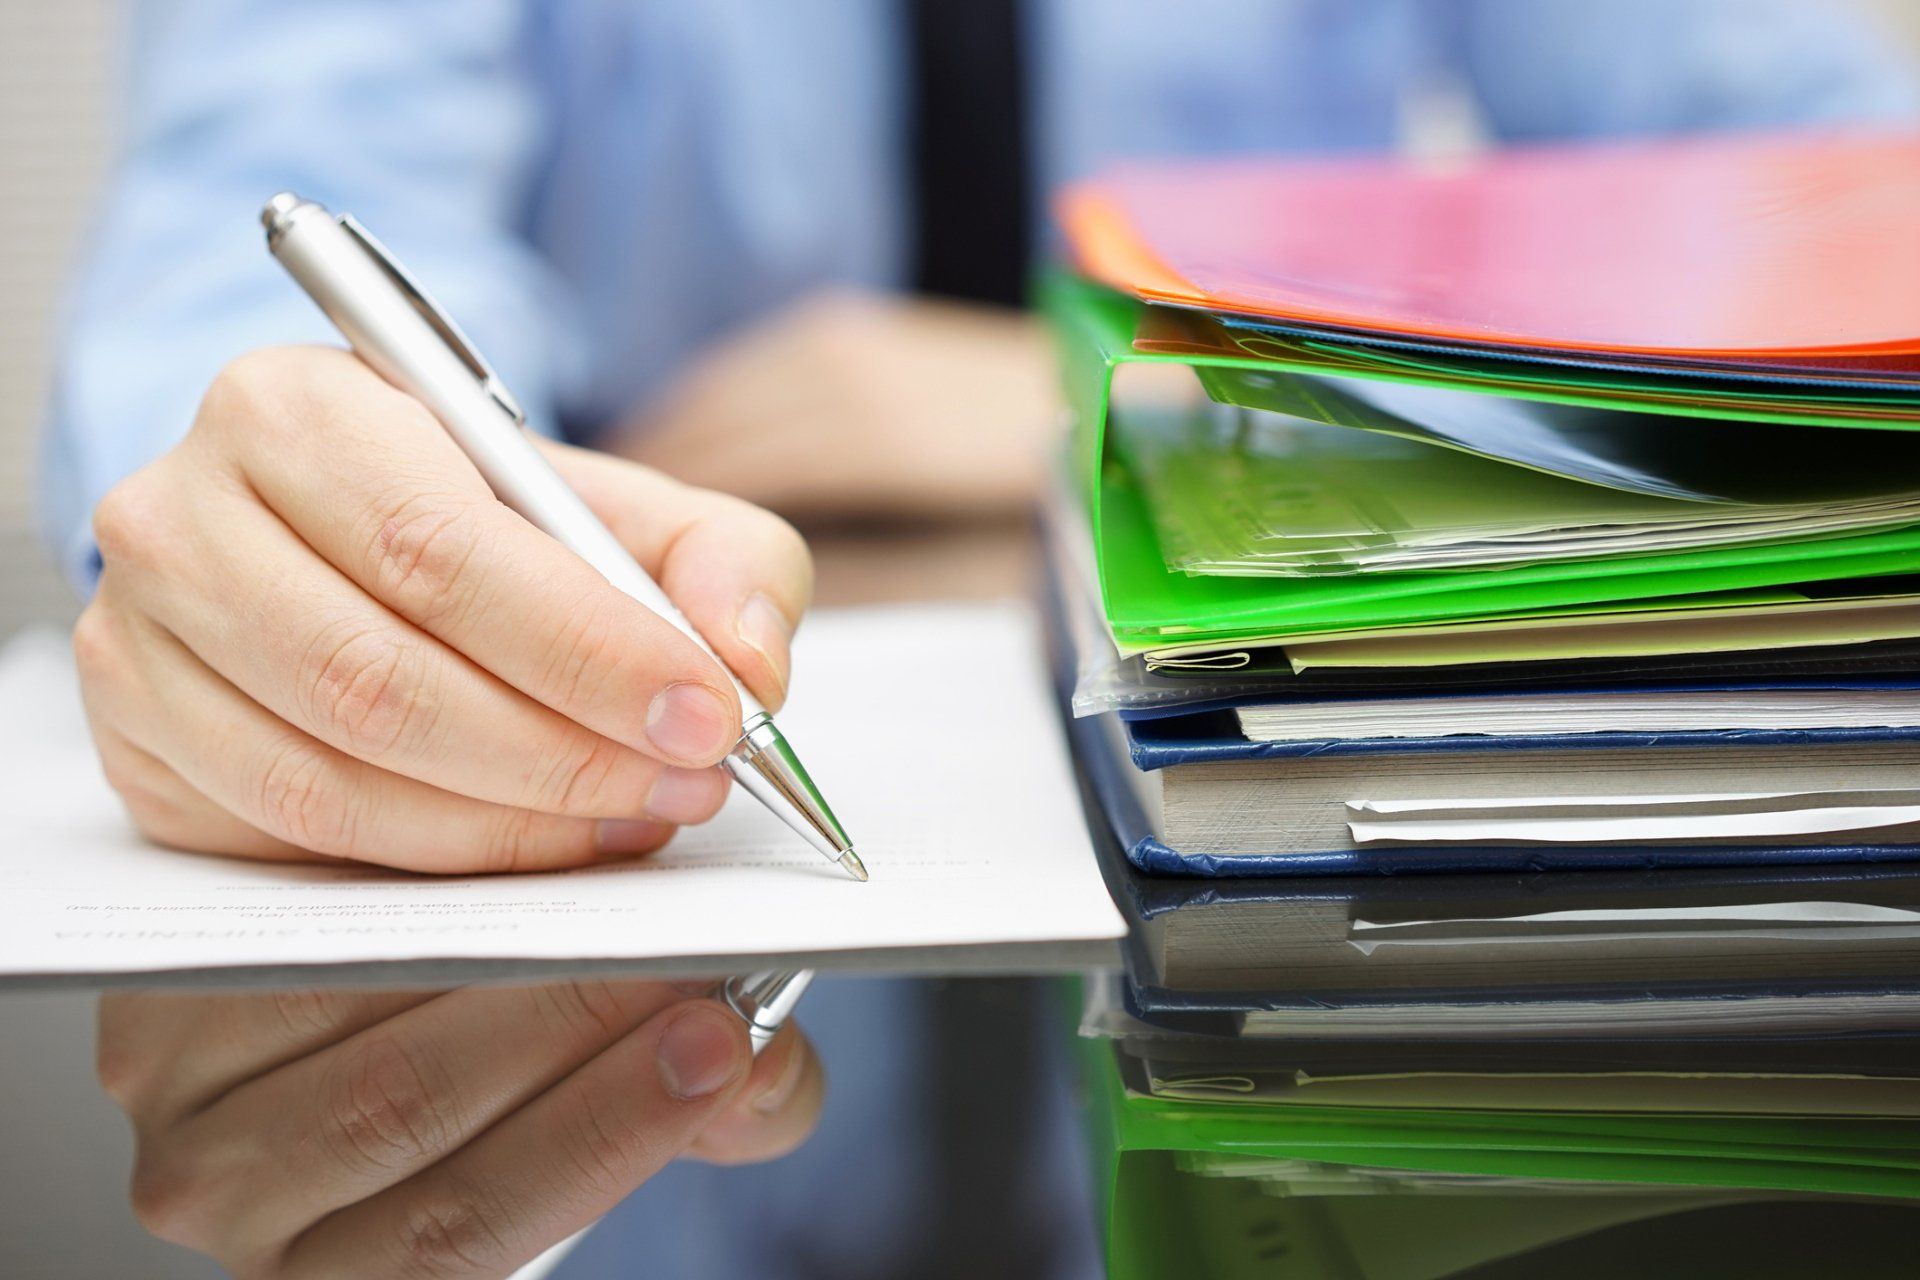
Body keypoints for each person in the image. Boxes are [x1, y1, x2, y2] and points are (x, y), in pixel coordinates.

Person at [40, 2, 1918, 1276]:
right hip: (623, 797)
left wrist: (1119, 389)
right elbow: (262, 199)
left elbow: (1830, 211)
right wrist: (281, 524)